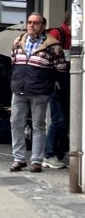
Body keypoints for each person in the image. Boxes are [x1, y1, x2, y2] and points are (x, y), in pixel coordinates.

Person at [8, 12, 68, 173]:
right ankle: (18, 159)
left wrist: (50, 84)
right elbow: (14, 63)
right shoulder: (18, 41)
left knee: (38, 126)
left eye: (36, 23)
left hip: (40, 92)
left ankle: (36, 160)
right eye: (29, 22)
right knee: (16, 124)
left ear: (43, 26)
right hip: (19, 90)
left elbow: (61, 69)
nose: (32, 25)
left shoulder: (53, 46)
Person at [44, 11, 72, 169]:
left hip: (65, 83)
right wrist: (53, 79)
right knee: (59, 119)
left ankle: (59, 154)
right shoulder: (58, 34)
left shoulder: (68, 35)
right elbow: (48, 58)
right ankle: (50, 154)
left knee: (64, 120)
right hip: (58, 83)